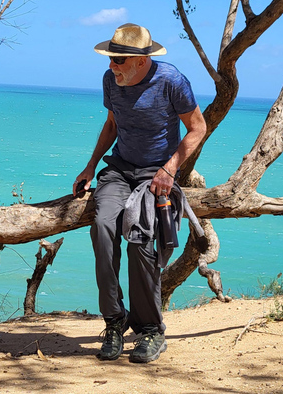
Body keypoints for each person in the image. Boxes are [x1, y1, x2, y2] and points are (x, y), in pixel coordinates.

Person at [73, 23, 207, 363]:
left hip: (156, 174)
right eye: (110, 59)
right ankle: (115, 322)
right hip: (119, 169)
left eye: (118, 60)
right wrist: (90, 166)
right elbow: (112, 124)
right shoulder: (111, 81)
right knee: (102, 228)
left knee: (139, 239)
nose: (111, 66)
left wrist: (169, 168)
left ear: (141, 61)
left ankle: (150, 330)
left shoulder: (171, 80)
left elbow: (198, 127)